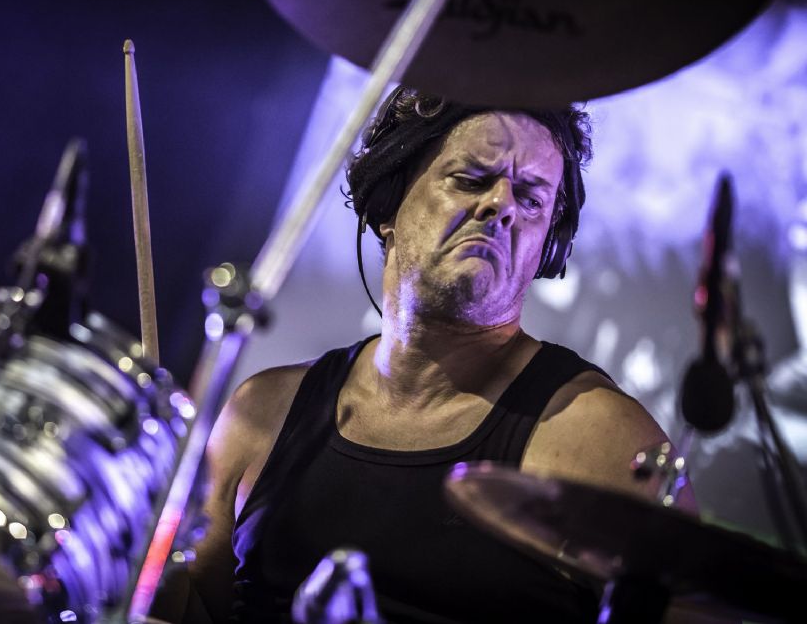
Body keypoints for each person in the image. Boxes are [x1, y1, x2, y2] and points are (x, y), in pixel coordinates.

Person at [152, 87, 693, 623]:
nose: (501, 205)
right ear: (388, 203)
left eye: (531, 198)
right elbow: (185, 610)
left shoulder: (603, 441)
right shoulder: (262, 412)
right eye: (472, 179)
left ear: (549, 246)